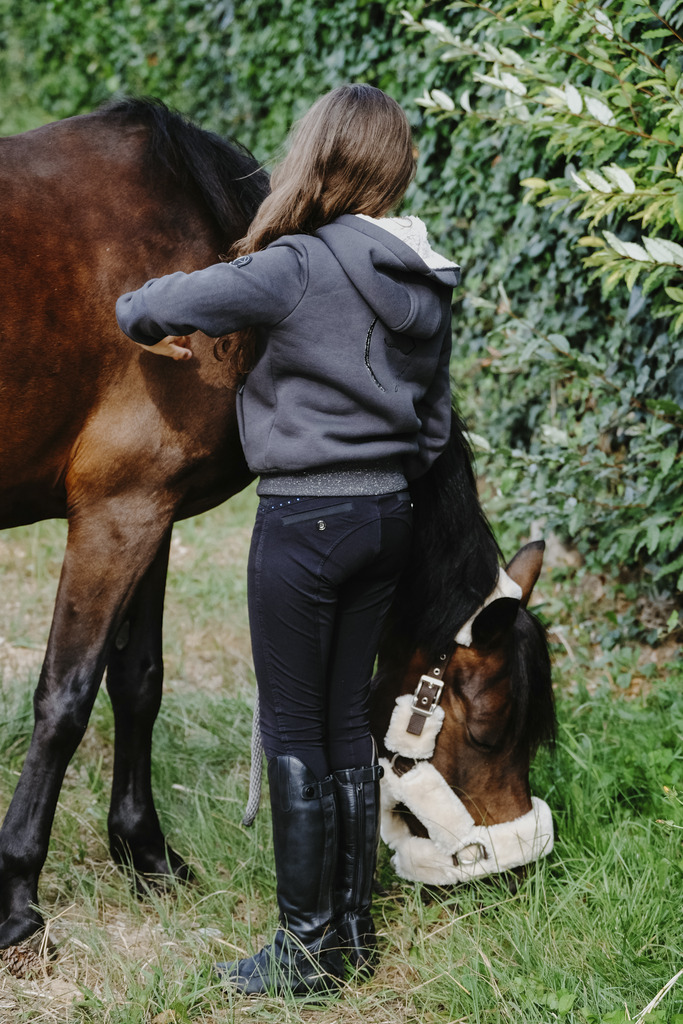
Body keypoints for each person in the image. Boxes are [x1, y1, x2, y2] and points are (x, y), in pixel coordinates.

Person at [115, 83, 460, 998]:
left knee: (297, 733)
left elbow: (147, 308)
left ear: (320, 157)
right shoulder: (424, 274)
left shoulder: (295, 265)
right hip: (388, 516)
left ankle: (305, 951)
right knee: (349, 724)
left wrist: (159, 315)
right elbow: (431, 432)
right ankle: (347, 935)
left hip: (304, 520)